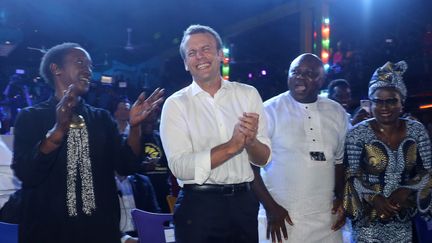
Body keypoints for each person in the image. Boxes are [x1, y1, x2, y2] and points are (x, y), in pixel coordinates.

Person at [12, 43, 164, 243]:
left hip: (99, 231)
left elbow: (126, 164)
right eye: (79, 62)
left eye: (90, 66)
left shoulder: (101, 118)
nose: (88, 70)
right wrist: (56, 133)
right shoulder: (30, 117)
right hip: (48, 231)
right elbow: (26, 173)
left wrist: (135, 128)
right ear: (56, 69)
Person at [160, 24, 271, 243]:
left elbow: (264, 158)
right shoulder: (175, 104)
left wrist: (249, 142)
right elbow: (179, 166)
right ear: (185, 63)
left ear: (220, 54)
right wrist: (231, 146)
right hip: (199, 207)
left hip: (243, 203)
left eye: (206, 48)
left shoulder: (247, 94)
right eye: (192, 53)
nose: (200, 56)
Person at [252, 53, 348, 243]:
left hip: (327, 222)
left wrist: (342, 198)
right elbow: (249, 167)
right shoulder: (268, 111)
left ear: (322, 80)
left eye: (309, 73)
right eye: (295, 72)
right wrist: (271, 208)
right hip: (282, 220)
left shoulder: (337, 112)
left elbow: (340, 162)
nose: (300, 77)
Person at [343, 61, 432, 242]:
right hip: (368, 219)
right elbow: (351, 175)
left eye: (391, 101)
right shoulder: (357, 133)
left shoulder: (416, 130)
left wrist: (406, 190)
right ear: (371, 102)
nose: (384, 107)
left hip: (405, 215)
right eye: (378, 101)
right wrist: (374, 197)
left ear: (402, 103)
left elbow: (428, 171)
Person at [116, 173, 160, 243]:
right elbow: (102, 218)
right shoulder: (101, 183)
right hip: (115, 236)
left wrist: (149, 235)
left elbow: (154, 212)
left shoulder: (143, 181)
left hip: (141, 236)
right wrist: (125, 238)